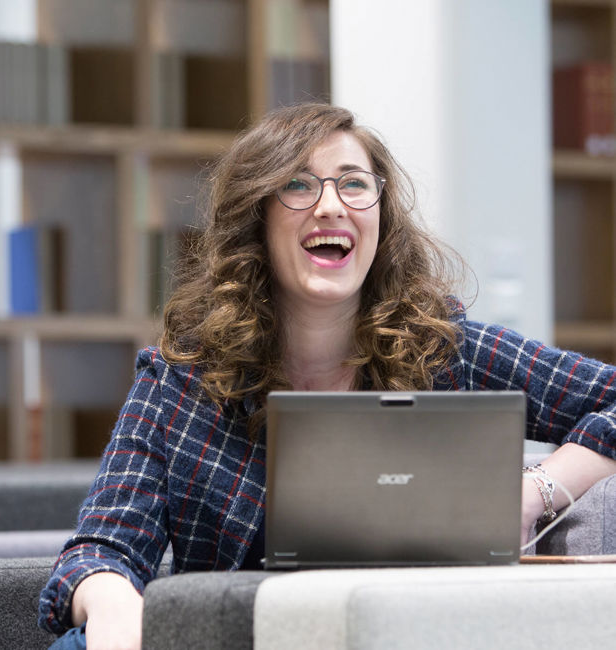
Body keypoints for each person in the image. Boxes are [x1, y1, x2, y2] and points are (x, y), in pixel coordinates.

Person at [39, 103, 616, 649]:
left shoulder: (445, 349)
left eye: (354, 183)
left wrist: (533, 491)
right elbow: (99, 549)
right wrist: (117, 605)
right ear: (257, 219)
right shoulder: (181, 380)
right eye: (297, 184)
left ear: (380, 219)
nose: (331, 205)